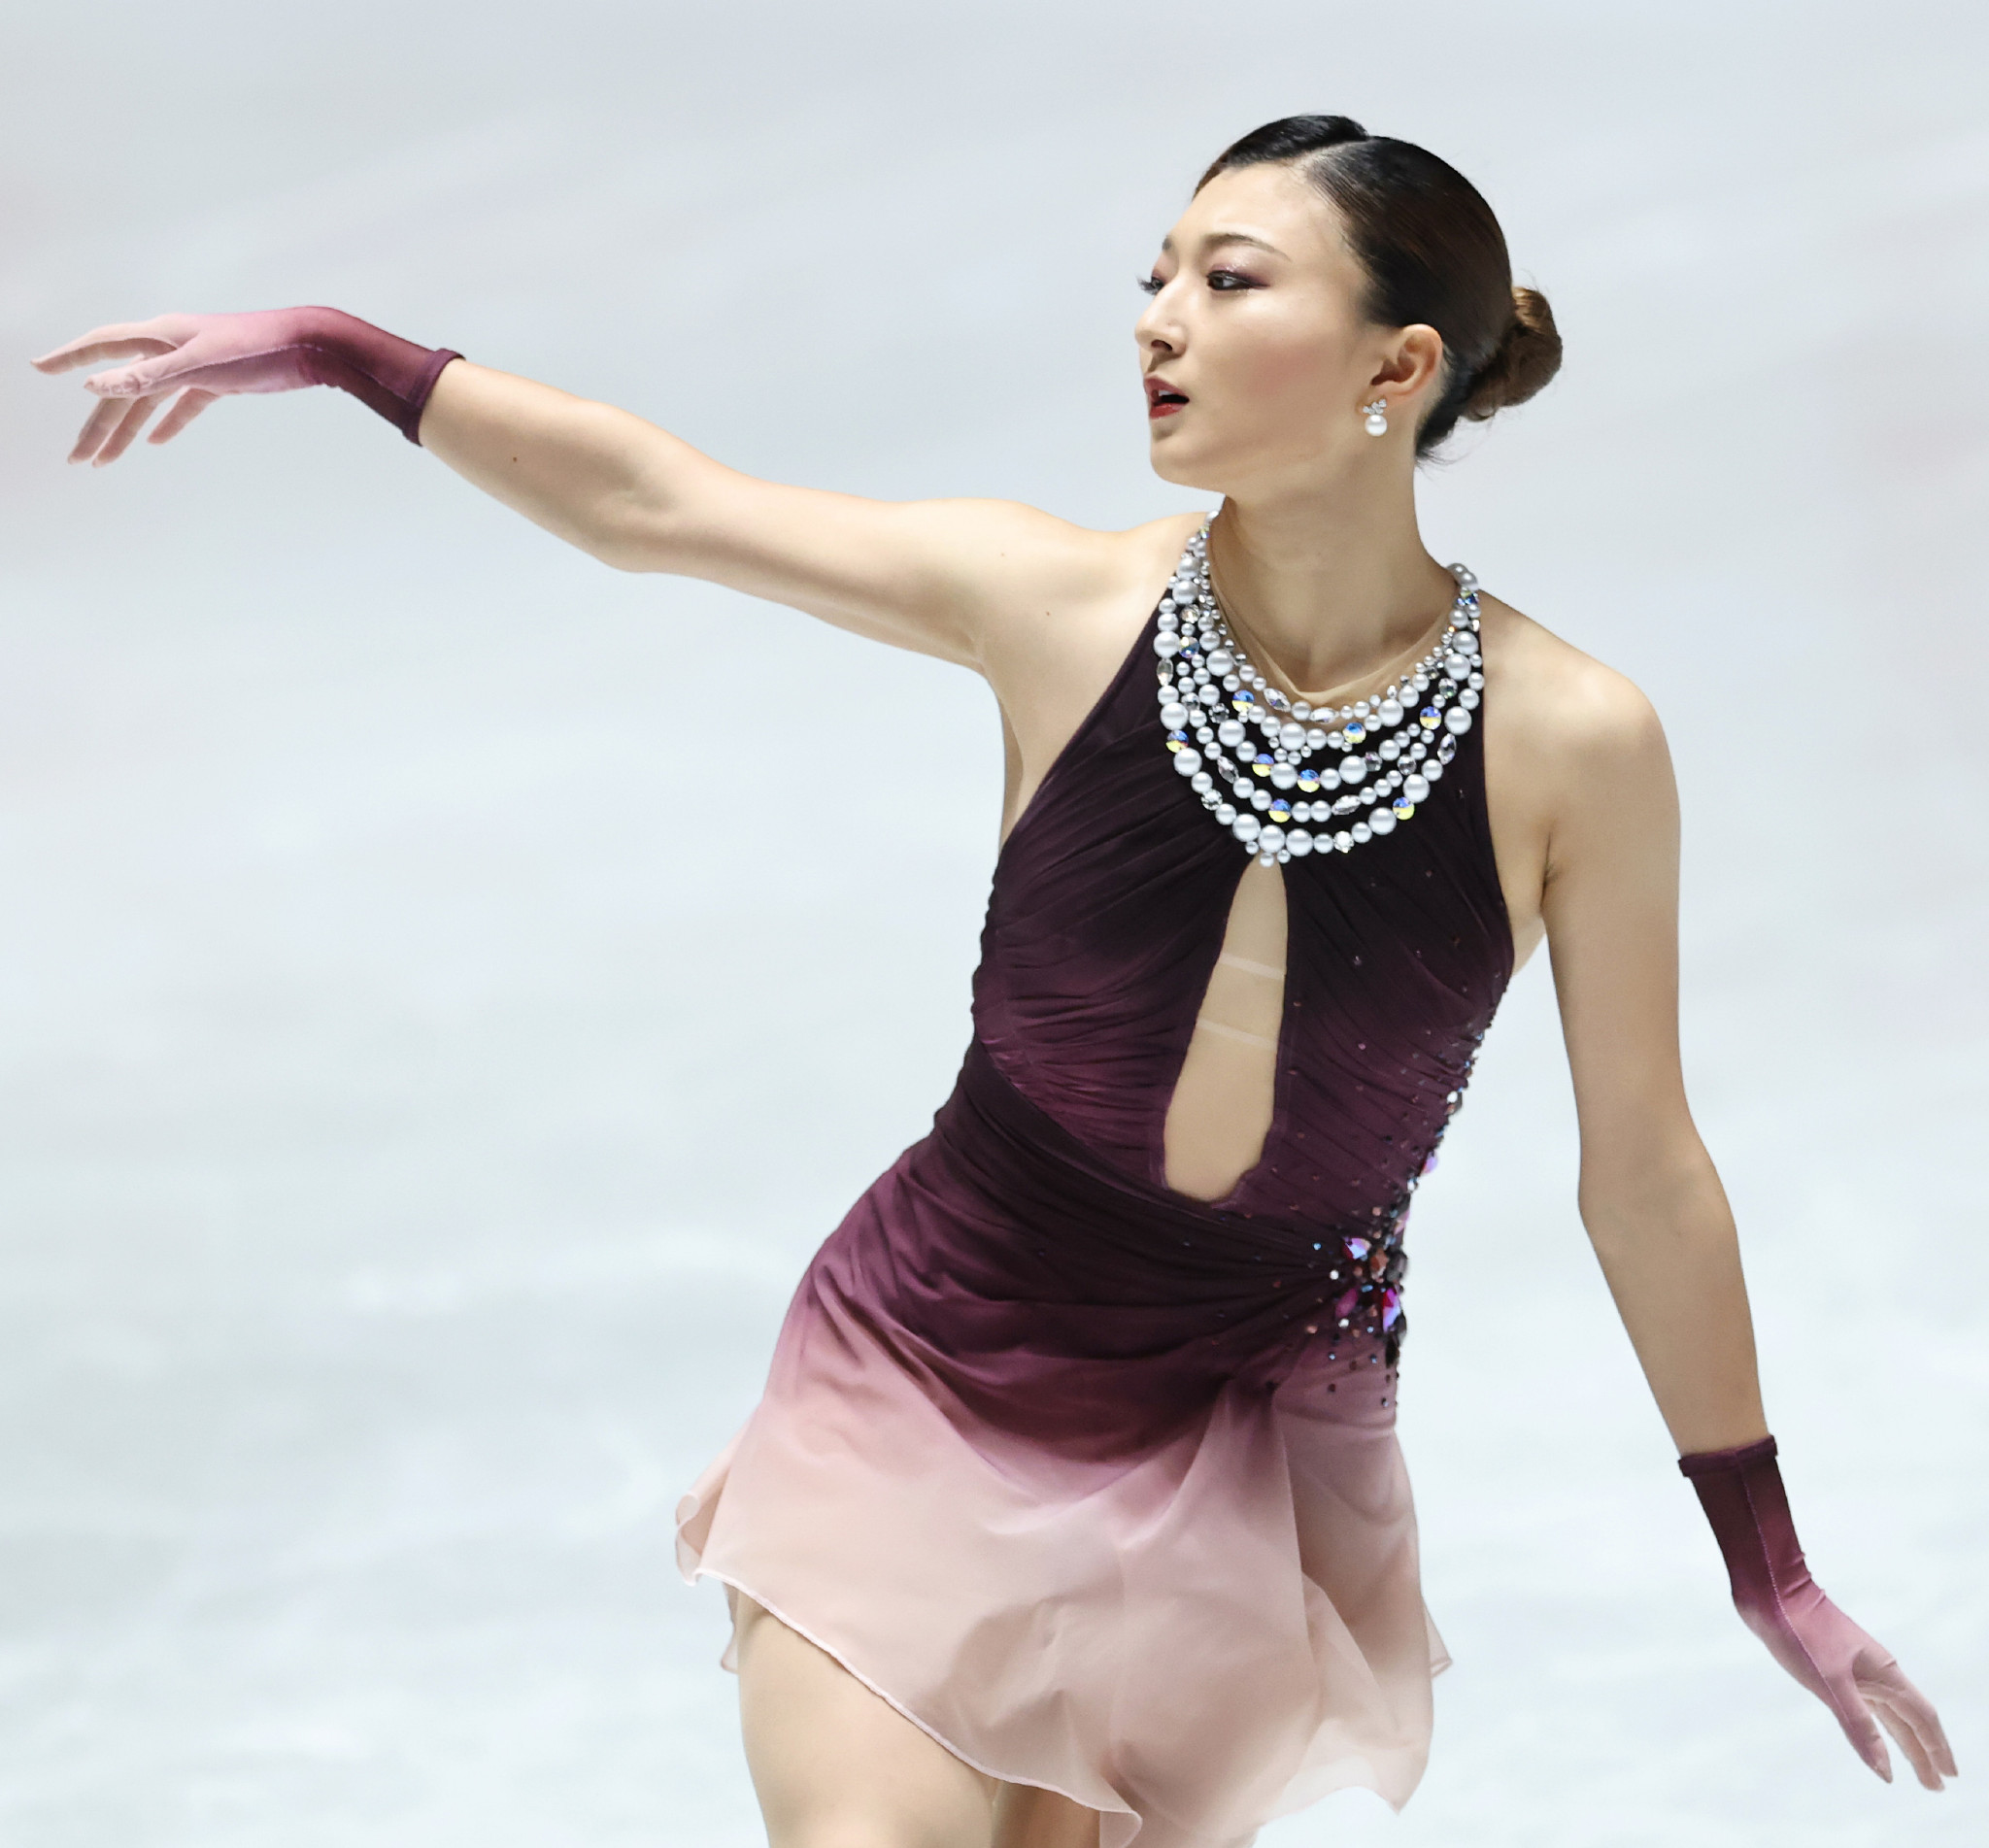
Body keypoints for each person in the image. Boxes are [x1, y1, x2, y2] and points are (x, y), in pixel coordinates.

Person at [33, 114, 1954, 1848]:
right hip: (929, 1357)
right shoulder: (1062, 604)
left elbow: (1647, 1174)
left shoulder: (1571, 742)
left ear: (1397, 366)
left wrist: (1765, 1558)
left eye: (1229, 280)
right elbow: (659, 505)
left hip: (1238, 1439)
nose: (1159, 321)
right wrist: (344, 348)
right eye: (1156, 276)